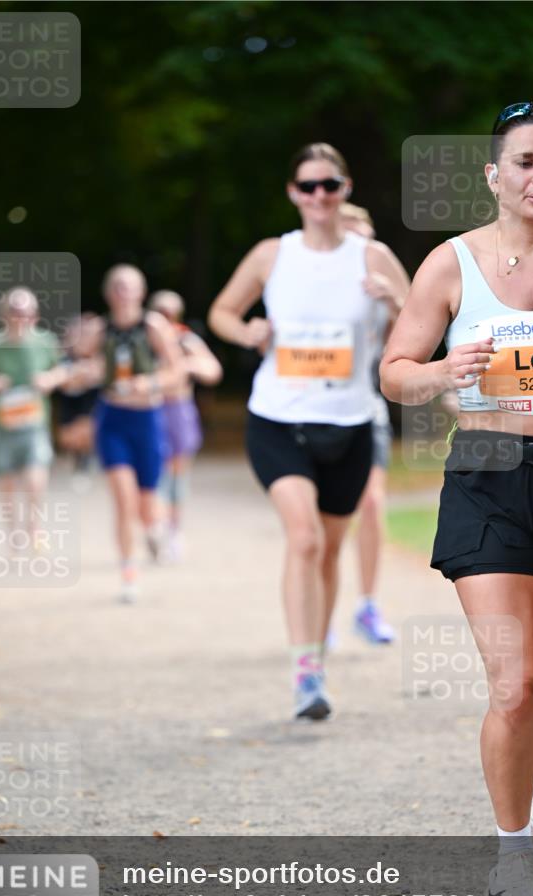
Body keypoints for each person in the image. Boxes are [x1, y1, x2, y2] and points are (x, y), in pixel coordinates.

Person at [380, 102, 533, 896]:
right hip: (488, 474)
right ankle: (513, 858)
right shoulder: (450, 264)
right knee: (512, 685)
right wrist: (440, 371)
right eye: (527, 162)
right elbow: (393, 370)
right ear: (493, 175)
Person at [209, 143, 409, 720]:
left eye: (330, 184)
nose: (320, 195)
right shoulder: (273, 255)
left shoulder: (373, 257)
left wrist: (395, 300)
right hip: (279, 418)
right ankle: (304, 673)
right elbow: (223, 311)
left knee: (328, 552)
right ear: (294, 193)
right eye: (308, 186)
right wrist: (248, 333)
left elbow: (423, 324)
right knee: (304, 539)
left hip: (349, 423)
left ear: (345, 188)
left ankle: (315, 659)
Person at [94, 265, 183, 602]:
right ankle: (128, 573)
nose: (123, 293)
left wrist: (149, 383)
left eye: (129, 287)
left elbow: (177, 371)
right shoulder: (101, 330)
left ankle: (156, 530)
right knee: (123, 500)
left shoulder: (153, 327)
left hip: (147, 419)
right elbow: (83, 364)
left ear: (141, 293)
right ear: (108, 293)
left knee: (146, 506)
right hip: (113, 419)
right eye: (117, 286)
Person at [339, 203, 404, 644]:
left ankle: (366, 605)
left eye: (367, 238)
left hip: (367, 407)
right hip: (314, 412)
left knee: (372, 504)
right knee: (326, 515)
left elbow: (418, 332)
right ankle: (320, 605)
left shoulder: (376, 284)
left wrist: (393, 300)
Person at [0, 286, 67, 532]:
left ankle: (34, 525)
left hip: (34, 424)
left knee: (36, 477)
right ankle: (13, 531)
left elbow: (63, 371)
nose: (21, 317)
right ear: (5, 314)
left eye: (27, 312)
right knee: (8, 482)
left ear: (35, 315)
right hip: (3, 425)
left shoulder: (46, 341)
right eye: (16, 312)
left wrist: (48, 379)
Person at [148, 290, 223, 562]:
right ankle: (155, 527)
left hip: (177, 411)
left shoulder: (186, 340)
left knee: (177, 476)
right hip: (151, 409)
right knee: (154, 474)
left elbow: (213, 371)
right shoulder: (144, 340)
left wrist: (189, 365)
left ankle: (172, 530)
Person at [55, 312, 105, 488]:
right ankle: (79, 460)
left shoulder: (100, 354)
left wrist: (82, 374)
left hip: (90, 398)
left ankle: (84, 464)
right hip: (69, 400)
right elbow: (63, 382)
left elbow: (98, 376)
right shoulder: (64, 355)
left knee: (86, 429)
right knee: (68, 437)